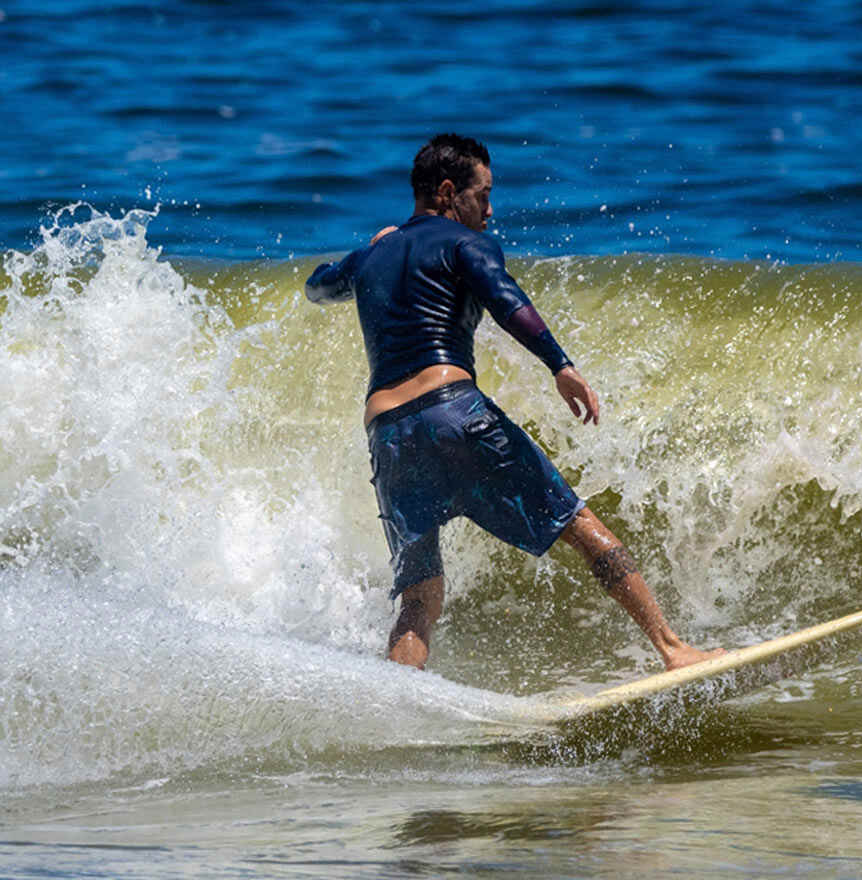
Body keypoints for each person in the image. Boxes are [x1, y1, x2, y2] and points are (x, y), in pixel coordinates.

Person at [305, 133, 717, 671]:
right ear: (450, 192)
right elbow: (506, 300)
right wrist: (560, 365)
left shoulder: (372, 256)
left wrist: (371, 245)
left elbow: (318, 287)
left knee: (418, 598)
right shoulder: (462, 244)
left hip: (387, 435)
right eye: (484, 194)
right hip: (453, 411)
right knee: (578, 523)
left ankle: (395, 701)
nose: (490, 210)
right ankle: (673, 648)